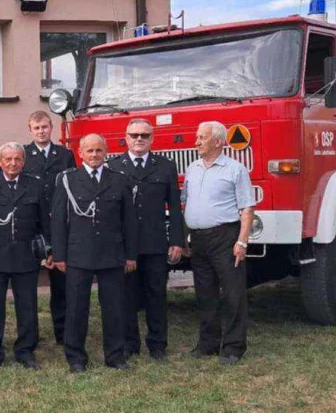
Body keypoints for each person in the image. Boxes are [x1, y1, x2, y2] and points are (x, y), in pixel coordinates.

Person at [51, 134, 138, 372]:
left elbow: (129, 222)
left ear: (106, 152)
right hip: (78, 254)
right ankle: (76, 358)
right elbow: (59, 221)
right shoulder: (68, 180)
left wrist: (131, 255)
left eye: (99, 151)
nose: (94, 155)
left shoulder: (119, 180)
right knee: (77, 308)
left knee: (114, 308)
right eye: (89, 151)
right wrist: (59, 255)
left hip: (112, 254)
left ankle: (115, 356)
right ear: (80, 153)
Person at [107, 118, 184, 361]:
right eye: (134, 135)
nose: (139, 139)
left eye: (144, 135)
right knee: (127, 296)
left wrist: (177, 240)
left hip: (155, 242)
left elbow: (174, 205)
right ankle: (130, 344)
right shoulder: (113, 166)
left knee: (156, 295)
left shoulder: (165, 166)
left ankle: (158, 345)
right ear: (126, 138)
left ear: (152, 138)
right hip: (125, 243)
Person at [183, 121, 256, 365]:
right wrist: (183, 238)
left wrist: (242, 242)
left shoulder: (235, 169)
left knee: (234, 293)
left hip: (225, 238)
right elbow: (186, 204)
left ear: (217, 141)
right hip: (199, 239)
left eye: (202, 137)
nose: (196, 142)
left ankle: (234, 347)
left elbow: (247, 207)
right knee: (205, 294)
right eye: (197, 136)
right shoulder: (192, 169)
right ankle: (208, 344)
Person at [0, 142, 48, 371]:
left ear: (23, 162)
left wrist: (48, 250)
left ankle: (26, 350)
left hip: (25, 255)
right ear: (0, 162)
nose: (13, 163)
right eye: (8, 159)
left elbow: (44, 222)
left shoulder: (35, 185)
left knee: (27, 306)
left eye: (17, 159)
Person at [22, 110, 74, 345]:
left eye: (44, 127)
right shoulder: (22, 155)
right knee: (26, 289)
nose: (41, 131)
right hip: (31, 224)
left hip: (59, 223)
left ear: (51, 128)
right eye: (36, 128)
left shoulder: (65, 155)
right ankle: (30, 335)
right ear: (30, 130)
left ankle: (62, 334)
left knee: (61, 285)